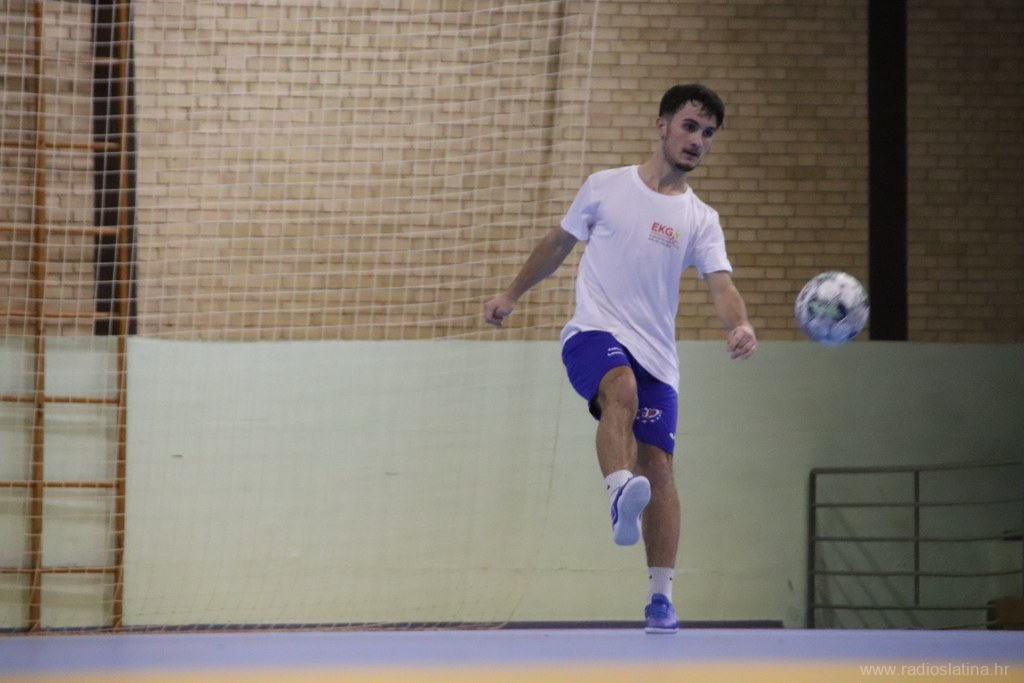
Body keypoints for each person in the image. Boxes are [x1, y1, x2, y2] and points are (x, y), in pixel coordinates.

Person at [483, 83, 757, 634]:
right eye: (689, 126)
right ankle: (617, 493)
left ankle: (660, 599)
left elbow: (721, 284)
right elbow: (558, 244)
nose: (698, 140)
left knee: (659, 469)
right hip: (593, 332)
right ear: (662, 125)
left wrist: (740, 323)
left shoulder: (701, 218)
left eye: (708, 134)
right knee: (621, 387)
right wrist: (512, 293)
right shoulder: (605, 186)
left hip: (659, 356)